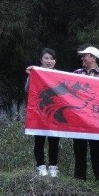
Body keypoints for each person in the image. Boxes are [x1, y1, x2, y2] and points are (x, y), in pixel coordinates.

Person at [72, 46, 99, 180]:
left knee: (97, 148)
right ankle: (79, 178)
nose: (82, 58)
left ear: (93, 58)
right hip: (79, 117)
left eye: (85, 55)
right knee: (79, 148)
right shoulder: (76, 73)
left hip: (96, 118)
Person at [25, 48, 62, 177]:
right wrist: (31, 75)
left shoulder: (59, 75)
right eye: (46, 58)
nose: (49, 61)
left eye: (51, 59)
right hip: (39, 112)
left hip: (54, 113)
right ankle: (40, 166)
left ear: (55, 61)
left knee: (54, 141)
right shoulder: (35, 72)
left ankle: (53, 167)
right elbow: (27, 89)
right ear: (41, 60)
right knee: (39, 141)